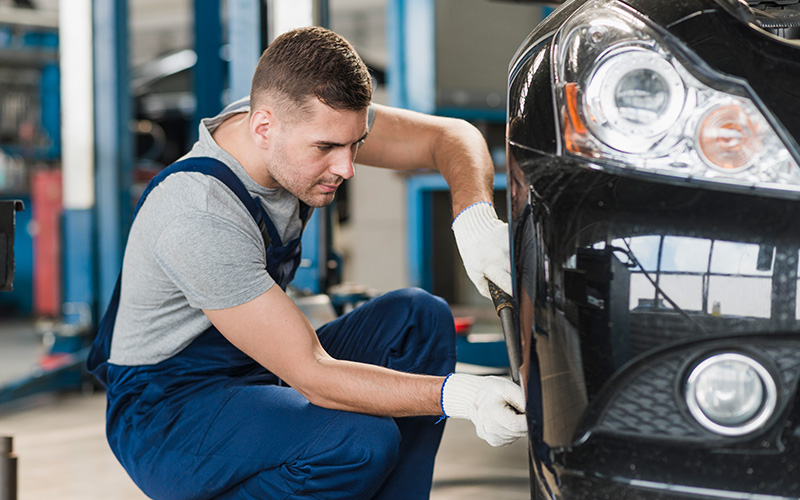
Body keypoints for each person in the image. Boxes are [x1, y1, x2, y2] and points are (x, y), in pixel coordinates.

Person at [88, 26, 525, 500]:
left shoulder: (295, 126)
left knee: (418, 320)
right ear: (263, 128)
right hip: (166, 415)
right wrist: (465, 396)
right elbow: (312, 374)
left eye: (355, 144)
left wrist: (474, 220)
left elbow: (450, 136)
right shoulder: (200, 214)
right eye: (327, 149)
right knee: (357, 444)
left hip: (248, 374)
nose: (347, 167)